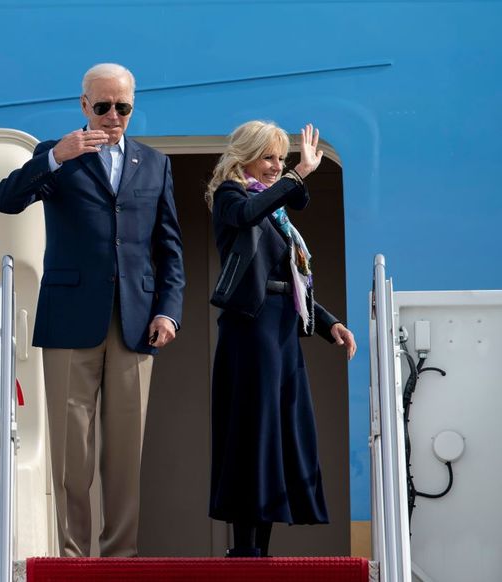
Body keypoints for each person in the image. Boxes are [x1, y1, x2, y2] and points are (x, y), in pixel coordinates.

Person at [0, 63, 185, 558]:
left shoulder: (155, 163)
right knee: (70, 456)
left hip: (137, 322)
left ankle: (119, 559)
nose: (113, 116)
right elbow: (6, 199)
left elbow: (170, 249)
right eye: (103, 107)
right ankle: (74, 558)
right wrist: (56, 157)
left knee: (124, 456)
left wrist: (169, 311)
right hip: (70, 320)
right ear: (83, 105)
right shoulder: (56, 156)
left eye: (123, 107)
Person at [205, 120, 356, 557]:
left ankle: (261, 551)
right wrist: (298, 175)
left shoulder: (277, 213)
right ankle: (245, 549)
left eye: (281, 158)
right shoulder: (231, 198)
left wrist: (328, 324)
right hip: (250, 331)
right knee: (253, 434)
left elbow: (288, 279)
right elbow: (247, 217)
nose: (277, 166)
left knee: (279, 435)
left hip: (282, 329)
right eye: (269, 157)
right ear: (245, 156)